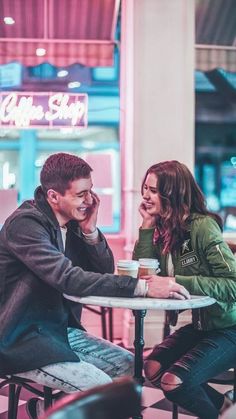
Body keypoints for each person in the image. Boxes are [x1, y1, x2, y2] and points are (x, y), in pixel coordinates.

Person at [0, 153, 189, 418]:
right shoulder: (26, 225)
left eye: (90, 192)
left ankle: (45, 410)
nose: (89, 201)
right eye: (81, 194)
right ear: (54, 196)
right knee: (101, 390)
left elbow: (101, 272)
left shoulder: (71, 223)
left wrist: (90, 231)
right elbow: (68, 278)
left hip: (58, 331)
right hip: (20, 340)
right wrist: (143, 287)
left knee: (128, 367)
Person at [133, 160, 236, 419]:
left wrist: (178, 282)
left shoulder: (202, 226)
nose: (145, 195)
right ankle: (223, 407)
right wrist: (146, 226)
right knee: (153, 368)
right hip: (203, 325)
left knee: (173, 381)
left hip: (230, 327)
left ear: (173, 194)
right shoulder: (163, 228)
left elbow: (233, 283)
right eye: (145, 188)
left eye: (153, 190)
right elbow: (143, 273)